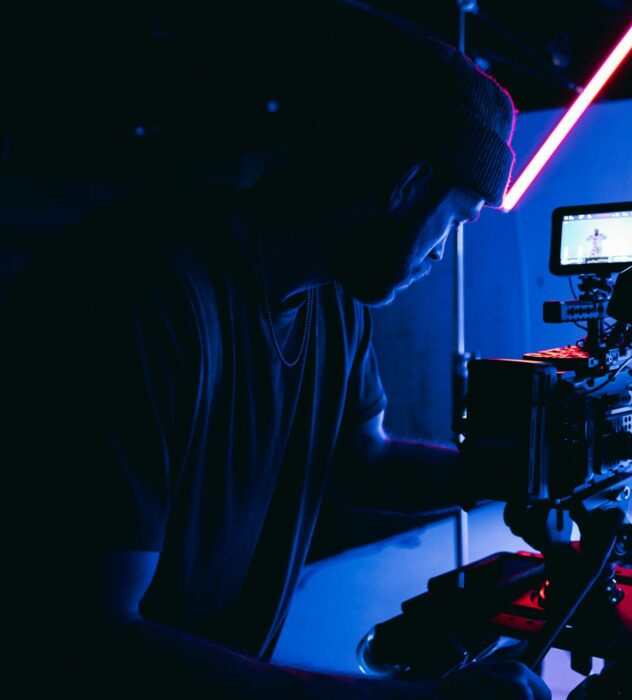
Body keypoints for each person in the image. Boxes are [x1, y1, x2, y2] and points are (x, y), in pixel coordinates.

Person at [0, 10, 548, 700]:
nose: (443, 253)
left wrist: (515, 470)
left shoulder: (336, 302)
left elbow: (357, 463)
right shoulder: (141, 292)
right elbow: (94, 634)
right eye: (457, 219)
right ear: (406, 183)